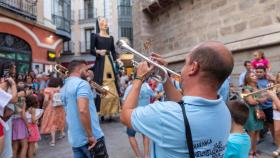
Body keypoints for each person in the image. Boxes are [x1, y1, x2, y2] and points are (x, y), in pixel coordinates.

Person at [121, 41, 234, 157]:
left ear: (193, 68)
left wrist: (139, 78)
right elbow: (182, 106)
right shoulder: (224, 110)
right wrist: (164, 76)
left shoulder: (165, 113)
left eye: (185, 63)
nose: (182, 69)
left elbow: (125, 115)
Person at [60, 60, 108, 158]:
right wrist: (90, 135)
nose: (87, 73)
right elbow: (83, 110)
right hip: (91, 139)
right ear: (79, 69)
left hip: (75, 140)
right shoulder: (82, 84)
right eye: (86, 70)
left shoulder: (64, 87)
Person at [90, 17, 120, 120]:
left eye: (105, 22)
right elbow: (91, 50)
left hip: (109, 63)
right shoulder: (94, 36)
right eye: (102, 22)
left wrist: (117, 60)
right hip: (100, 62)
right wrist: (98, 52)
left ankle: (112, 111)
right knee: (101, 85)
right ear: (98, 24)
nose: (104, 24)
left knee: (112, 83)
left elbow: (113, 51)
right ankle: (102, 111)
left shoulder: (111, 37)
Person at [123, 80, 155, 158]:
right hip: (145, 114)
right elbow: (153, 96)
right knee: (145, 135)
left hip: (132, 114)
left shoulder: (130, 87)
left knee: (131, 135)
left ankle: (138, 156)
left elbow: (124, 101)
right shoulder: (147, 86)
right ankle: (146, 156)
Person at [242, 72, 267, 157]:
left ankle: (254, 150)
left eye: (255, 75)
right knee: (251, 133)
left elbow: (264, 99)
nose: (255, 76)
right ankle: (249, 152)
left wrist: (264, 97)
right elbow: (251, 102)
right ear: (248, 78)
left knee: (256, 133)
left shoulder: (257, 87)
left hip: (258, 112)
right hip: (251, 113)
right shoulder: (246, 88)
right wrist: (260, 99)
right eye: (252, 76)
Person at [40, 77, 66, 147]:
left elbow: (46, 100)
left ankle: (53, 141)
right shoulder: (59, 89)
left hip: (52, 107)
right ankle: (62, 133)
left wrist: (43, 107)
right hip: (60, 106)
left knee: (52, 123)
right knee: (59, 120)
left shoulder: (47, 90)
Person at [255, 66, 274, 140]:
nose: (258, 73)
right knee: (258, 123)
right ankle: (258, 138)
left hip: (269, 106)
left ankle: (275, 139)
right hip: (258, 107)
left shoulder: (268, 80)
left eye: (260, 72)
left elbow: (272, 93)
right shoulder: (254, 81)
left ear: (264, 72)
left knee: (271, 123)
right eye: (257, 72)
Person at [12, 88, 29, 158]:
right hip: (20, 123)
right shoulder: (22, 101)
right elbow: (23, 115)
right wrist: (28, 126)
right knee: (24, 145)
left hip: (12, 122)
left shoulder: (11, 100)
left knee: (15, 146)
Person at [267, 72, 280, 157]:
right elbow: (269, 98)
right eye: (279, 77)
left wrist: (273, 95)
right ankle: (279, 147)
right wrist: (270, 91)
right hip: (276, 112)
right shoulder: (276, 87)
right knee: (277, 131)